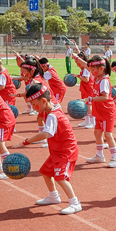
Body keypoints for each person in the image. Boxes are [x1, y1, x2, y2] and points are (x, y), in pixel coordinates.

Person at [21, 83, 82, 215]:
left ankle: (75, 203)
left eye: (33, 104)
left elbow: (45, 134)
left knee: (60, 177)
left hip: (66, 152)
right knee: (45, 172)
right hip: (57, 151)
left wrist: (26, 142)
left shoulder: (53, 116)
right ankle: (53, 196)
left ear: (43, 101)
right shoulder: (53, 107)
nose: (33, 107)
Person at [83, 55, 116, 167]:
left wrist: (90, 99)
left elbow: (105, 97)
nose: (91, 71)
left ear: (101, 68)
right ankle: (100, 156)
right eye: (91, 69)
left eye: (93, 69)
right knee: (97, 133)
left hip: (107, 111)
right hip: (99, 111)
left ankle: (115, 158)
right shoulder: (97, 77)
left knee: (108, 134)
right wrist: (76, 57)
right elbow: (87, 65)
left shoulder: (104, 80)